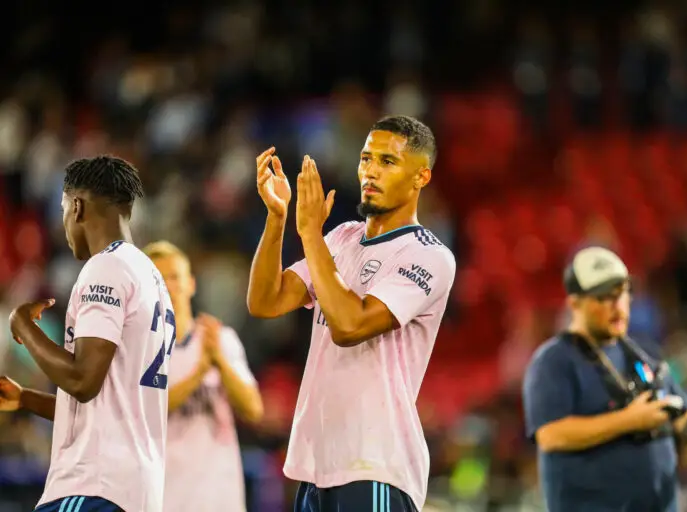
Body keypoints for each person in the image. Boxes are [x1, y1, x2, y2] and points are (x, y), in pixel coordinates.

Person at [246, 115, 456, 511]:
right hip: (319, 464)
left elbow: (350, 325)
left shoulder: (428, 254)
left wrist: (310, 234)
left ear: (421, 176)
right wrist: (278, 218)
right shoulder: (342, 238)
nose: (371, 171)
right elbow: (265, 301)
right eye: (366, 158)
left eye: (388, 161)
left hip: (375, 463)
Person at [523, 246, 687, 512]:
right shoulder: (554, 362)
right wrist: (629, 420)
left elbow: (681, 414)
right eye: (603, 298)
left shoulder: (642, 353)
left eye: (622, 293)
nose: (617, 306)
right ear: (575, 304)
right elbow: (551, 435)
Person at [0, 156, 174, 512]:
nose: (63, 224)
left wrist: (22, 325)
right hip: (133, 489)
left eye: (63, 210)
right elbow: (109, 404)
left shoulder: (106, 267)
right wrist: (26, 399)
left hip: (94, 484)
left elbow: (83, 380)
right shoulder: (150, 276)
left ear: (77, 207)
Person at [142, 240, 263, 512]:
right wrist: (199, 372)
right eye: (160, 279)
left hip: (220, 499)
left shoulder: (220, 339)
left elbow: (253, 409)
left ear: (191, 283)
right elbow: (149, 413)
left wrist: (219, 362)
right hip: (166, 499)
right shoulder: (141, 349)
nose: (169, 286)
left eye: (175, 277)